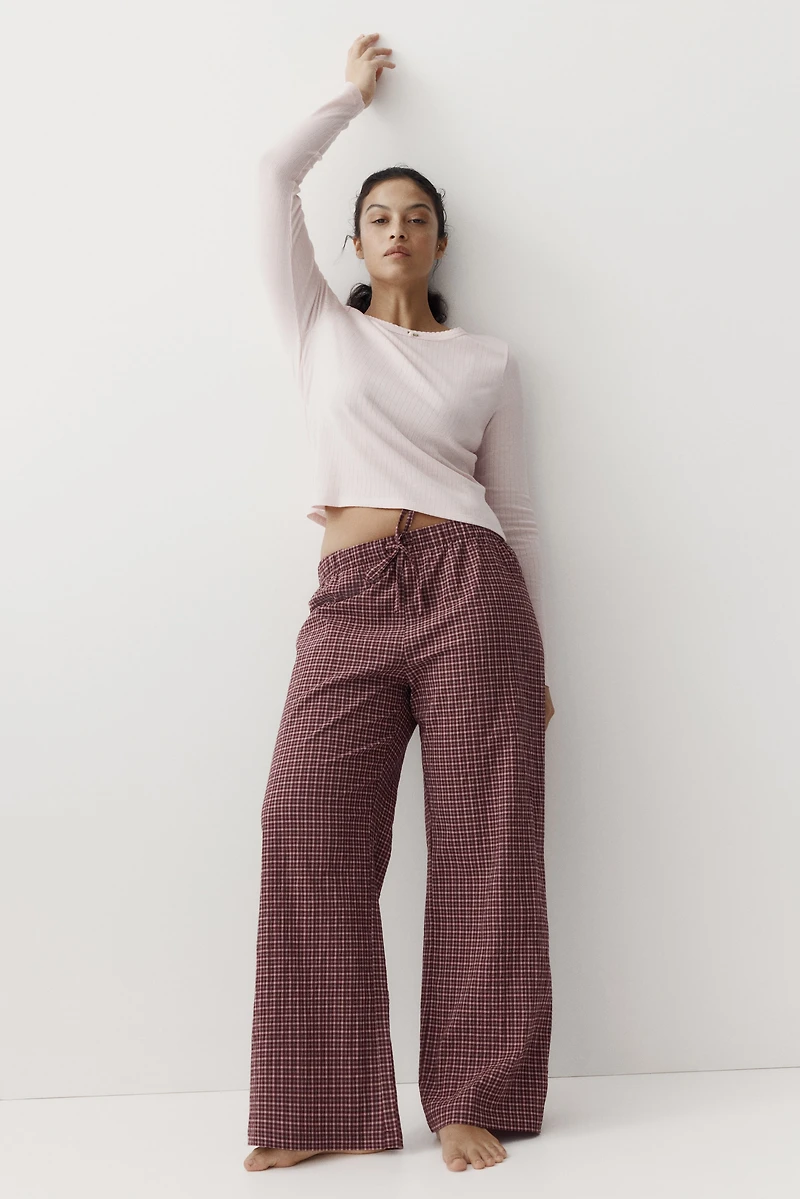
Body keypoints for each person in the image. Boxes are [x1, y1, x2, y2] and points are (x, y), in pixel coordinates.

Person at [245, 33, 554, 1174]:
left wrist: (539, 660)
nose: (397, 229)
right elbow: (270, 172)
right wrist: (348, 97)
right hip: (352, 595)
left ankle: (474, 1094)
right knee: (303, 822)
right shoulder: (320, 326)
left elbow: (516, 514)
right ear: (355, 239)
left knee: (485, 841)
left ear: (438, 240)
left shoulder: (487, 360)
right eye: (378, 215)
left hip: (475, 588)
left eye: (416, 216)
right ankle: (319, 1104)